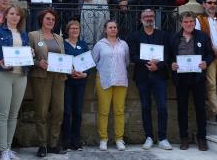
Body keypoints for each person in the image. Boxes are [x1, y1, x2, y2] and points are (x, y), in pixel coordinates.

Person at [0, 5, 29, 160]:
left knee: (13, 114)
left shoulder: (23, 34)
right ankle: (2, 150)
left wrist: (30, 54)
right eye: (12, 13)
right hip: (0, 75)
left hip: (20, 76)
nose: (15, 16)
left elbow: (25, 54)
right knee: (3, 114)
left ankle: (8, 148)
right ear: (6, 15)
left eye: (18, 14)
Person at [127, 9, 172, 150]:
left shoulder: (163, 35)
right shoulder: (135, 36)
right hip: (143, 76)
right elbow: (132, 55)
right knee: (145, 107)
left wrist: (157, 66)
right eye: (146, 16)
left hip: (159, 76)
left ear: (154, 19)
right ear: (141, 19)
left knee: (162, 107)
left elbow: (168, 55)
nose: (149, 18)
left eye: (151, 16)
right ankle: (149, 137)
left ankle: (163, 137)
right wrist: (147, 63)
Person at [169, 11, 214, 151]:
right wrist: (171, 64)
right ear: (181, 23)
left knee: (200, 109)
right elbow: (168, 56)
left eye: (191, 22)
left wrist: (206, 62)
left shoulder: (203, 36)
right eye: (186, 22)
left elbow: (210, 54)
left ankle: (202, 138)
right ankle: (184, 138)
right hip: (181, 78)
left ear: (195, 23)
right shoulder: (174, 38)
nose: (189, 24)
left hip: (198, 78)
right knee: (182, 109)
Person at [29, 8, 67, 157]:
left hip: (58, 77)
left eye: (52, 19)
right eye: (48, 19)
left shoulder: (59, 38)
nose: (50, 21)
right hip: (41, 77)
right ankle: (42, 145)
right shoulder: (33, 35)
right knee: (42, 111)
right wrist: (38, 63)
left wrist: (67, 65)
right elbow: (27, 56)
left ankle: (53, 144)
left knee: (58, 110)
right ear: (42, 20)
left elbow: (62, 56)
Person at [92, 20, 129, 151]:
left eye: (115, 27)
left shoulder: (124, 44)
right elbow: (94, 60)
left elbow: (127, 61)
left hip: (120, 80)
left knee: (119, 111)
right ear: (105, 30)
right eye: (110, 27)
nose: (113, 29)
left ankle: (119, 139)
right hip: (104, 79)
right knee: (103, 111)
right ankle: (103, 139)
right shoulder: (99, 45)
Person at [62, 20, 89, 151]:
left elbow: (88, 63)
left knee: (77, 112)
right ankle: (66, 141)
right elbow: (60, 61)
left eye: (77, 28)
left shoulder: (83, 45)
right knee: (66, 112)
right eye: (72, 28)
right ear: (68, 30)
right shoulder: (63, 44)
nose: (74, 30)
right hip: (67, 81)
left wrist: (84, 74)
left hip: (80, 82)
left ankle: (76, 140)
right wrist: (69, 72)